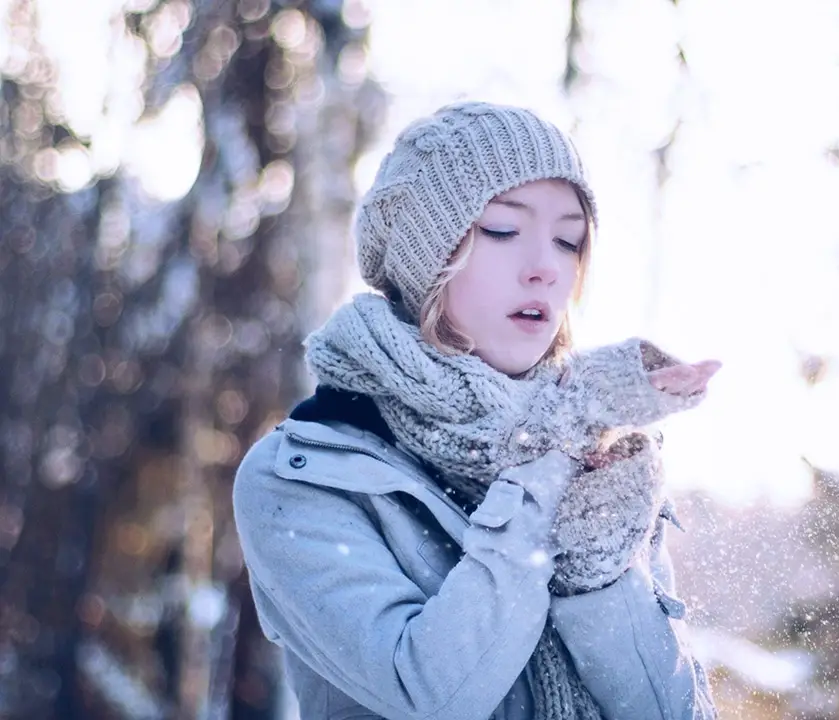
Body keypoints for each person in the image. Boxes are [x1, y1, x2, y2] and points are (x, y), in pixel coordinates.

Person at [232, 101, 721, 720]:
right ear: (425, 255)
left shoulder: (600, 469)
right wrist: (549, 455)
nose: (546, 267)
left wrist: (598, 572)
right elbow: (434, 692)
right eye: (501, 230)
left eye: (568, 240)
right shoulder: (301, 476)